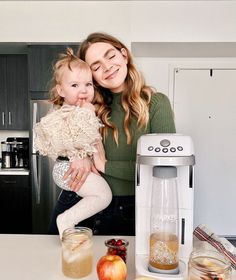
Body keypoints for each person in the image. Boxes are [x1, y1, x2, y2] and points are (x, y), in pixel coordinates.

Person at [49, 32, 176, 236]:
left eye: (110, 56)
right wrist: (78, 155)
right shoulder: (86, 104)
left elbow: (164, 169)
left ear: (124, 55)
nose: (107, 67)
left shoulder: (156, 103)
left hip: (129, 210)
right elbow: (59, 144)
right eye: (96, 66)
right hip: (79, 203)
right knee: (58, 266)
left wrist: (104, 165)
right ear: (90, 76)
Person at [33, 48, 112, 238]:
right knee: (103, 196)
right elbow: (68, 139)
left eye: (88, 84)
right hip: (65, 168)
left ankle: (70, 221)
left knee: (99, 195)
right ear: (61, 90)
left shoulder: (78, 109)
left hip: (67, 169)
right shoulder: (67, 112)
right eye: (75, 85)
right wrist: (88, 113)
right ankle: (67, 219)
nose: (83, 90)